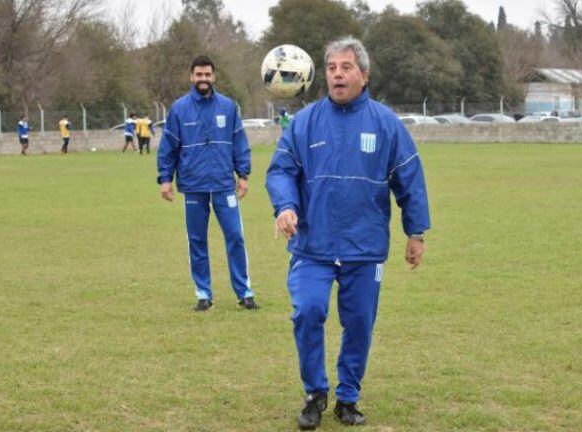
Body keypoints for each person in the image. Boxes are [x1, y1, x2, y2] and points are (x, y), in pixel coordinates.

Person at [266, 37, 430, 430]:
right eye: (332, 68)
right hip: (312, 245)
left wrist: (416, 231)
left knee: (358, 322)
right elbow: (280, 171)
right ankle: (314, 393)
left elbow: (409, 176)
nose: (337, 74)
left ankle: (348, 397)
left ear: (364, 74)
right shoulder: (305, 123)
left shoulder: (385, 123)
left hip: (364, 246)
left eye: (346, 67)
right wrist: (285, 206)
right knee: (308, 311)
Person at [157, 55, 258, 312]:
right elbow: (168, 146)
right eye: (198, 75)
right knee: (197, 240)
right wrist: (165, 179)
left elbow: (239, 142)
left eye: (207, 75)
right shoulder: (179, 109)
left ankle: (244, 292)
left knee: (235, 236)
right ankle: (204, 294)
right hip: (193, 185)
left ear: (214, 77)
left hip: (224, 183)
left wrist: (243, 175)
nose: (203, 79)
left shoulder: (228, 106)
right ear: (191, 77)